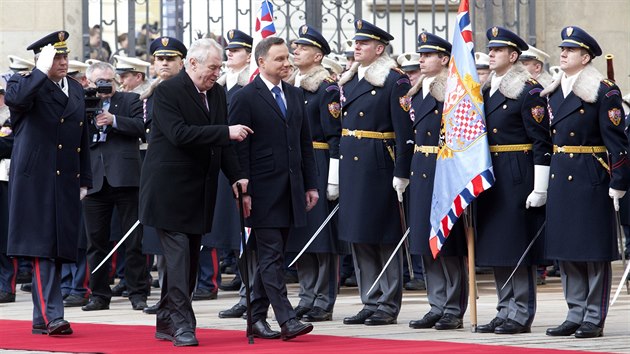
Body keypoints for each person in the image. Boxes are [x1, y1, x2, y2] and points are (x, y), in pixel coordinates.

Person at [139, 38, 250, 347]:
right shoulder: (167, 92)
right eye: (213, 67)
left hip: (199, 192)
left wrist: (237, 176)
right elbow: (179, 134)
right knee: (177, 260)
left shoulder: (216, 93)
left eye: (220, 67)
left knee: (188, 262)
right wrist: (224, 132)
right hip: (168, 190)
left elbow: (223, 143)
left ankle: (165, 320)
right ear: (192, 64)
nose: (217, 72)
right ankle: (183, 324)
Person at [542, 26, 629, 339]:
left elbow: (617, 142)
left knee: (592, 250)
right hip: (561, 172)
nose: (563, 54)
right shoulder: (553, 91)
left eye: (571, 50)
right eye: (562, 49)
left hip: (590, 174)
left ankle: (594, 316)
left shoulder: (603, 91)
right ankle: (575, 311)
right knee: (566, 248)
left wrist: (618, 179)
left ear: (586, 56)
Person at [229, 36, 318, 340]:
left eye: (287, 58)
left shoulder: (294, 95)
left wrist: (311, 185)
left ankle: (254, 315)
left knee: (275, 254)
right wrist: (244, 189)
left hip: (290, 188)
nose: (286, 63)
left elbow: (303, 143)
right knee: (271, 256)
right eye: (279, 59)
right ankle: (287, 319)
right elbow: (238, 149)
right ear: (262, 62)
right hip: (261, 191)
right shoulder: (245, 96)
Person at [4, 31, 92, 335]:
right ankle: (54, 315)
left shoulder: (76, 90)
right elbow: (16, 100)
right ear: (42, 59)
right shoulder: (22, 84)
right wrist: (40, 70)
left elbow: (83, 137)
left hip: (66, 178)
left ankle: (42, 319)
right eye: (57, 56)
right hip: (35, 181)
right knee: (43, 248)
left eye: (66, 56)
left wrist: (85, 178)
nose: (64, 62)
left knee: (58, 247)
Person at [475, 26, 552, 335]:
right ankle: (504, 308)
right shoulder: (486, 88)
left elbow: (541, 142)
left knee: (516, 246)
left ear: (514, 56)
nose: (491, 54)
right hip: (493, 172)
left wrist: (540, 186)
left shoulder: (528, 89)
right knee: (497, 246)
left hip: (517, 172)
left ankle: (520, 312)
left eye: (498, 50)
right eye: (490, 49)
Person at [338, 20, 413, 326]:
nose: (356, 47)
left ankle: (387, 302)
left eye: (364, 44)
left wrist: (402, 171)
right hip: (353, 165)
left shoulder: (395, 82)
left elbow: (404, 130)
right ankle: (370, 299)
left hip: (379, 163)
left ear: (379, 49)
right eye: (356, 43)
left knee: (383, 236)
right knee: (359, 236)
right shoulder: (351, 79)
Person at [406, 32, 468, 331]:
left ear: (444, 59)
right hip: (421, 168)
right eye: (421, 54)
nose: (421, 59)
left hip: (445, 169)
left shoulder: (455, 90)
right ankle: (436, 303)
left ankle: (453, 308)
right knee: (426, 239)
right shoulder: (418, 91)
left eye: (428, 55)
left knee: (448, 242)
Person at [81, 61, 147, 312]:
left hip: (126, 178)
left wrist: (114, 120)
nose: (104, 85)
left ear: (116, 79)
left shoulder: (129, 99)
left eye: (108, 79)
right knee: (95, 241)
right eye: (99, 81)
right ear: (89, 82)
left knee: (133, 240)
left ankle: (137, 292)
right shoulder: (83, 102)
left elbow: (142, 128)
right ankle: (98, 294)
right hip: (94, 180)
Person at [286, 24, 342, 322]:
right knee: (302, 233)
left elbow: (334, 134)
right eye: (294, 47)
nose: (295, 52)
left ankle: (323, 298)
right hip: (298, 163)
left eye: (302, 48)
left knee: (321, 236)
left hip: (319, 160)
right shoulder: (293, 86)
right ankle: (306, 295)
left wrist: (334, 173)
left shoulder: (327, 87)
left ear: (318, 55)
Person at [198, 29, 254, 304]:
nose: (230, 53)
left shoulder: (249, 85)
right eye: (228, 49)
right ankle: (225, 284)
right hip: (220, 158)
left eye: (238, 49)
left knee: (242, 227)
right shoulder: (218, 86)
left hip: (241, 160)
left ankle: (248, 290)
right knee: (220, 226)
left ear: (251, 56)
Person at [138, 36, 188, 315]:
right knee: (162, 245)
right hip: (156, 174)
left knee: (179, 247)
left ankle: (176, 299)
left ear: (182, 62)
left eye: (170, 58)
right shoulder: (152, 92)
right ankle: (167, 297)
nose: (165, 63)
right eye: (160, 58)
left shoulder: (181, 91)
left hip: (178, 176)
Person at [60, 60, 92, 308]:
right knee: (62, 233)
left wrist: (85, 180)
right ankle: (65, 282)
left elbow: (85, 142)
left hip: (78, 173)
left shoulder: (81, 97)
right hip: (59, 174)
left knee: (80, 237)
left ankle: (79, 285)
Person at [395, 51, 426, 292]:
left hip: (434, 164)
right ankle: (415, 270)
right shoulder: (412, 97)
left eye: (414, 71)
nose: (411, 76)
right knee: (414, 221)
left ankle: (421, 272)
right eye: (409, 72)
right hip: (415, 164)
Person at [0, 85, 16, 304]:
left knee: (3, 236)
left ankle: (6, 285)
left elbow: (7, 144)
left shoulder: (9, 118)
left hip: (2, 179)